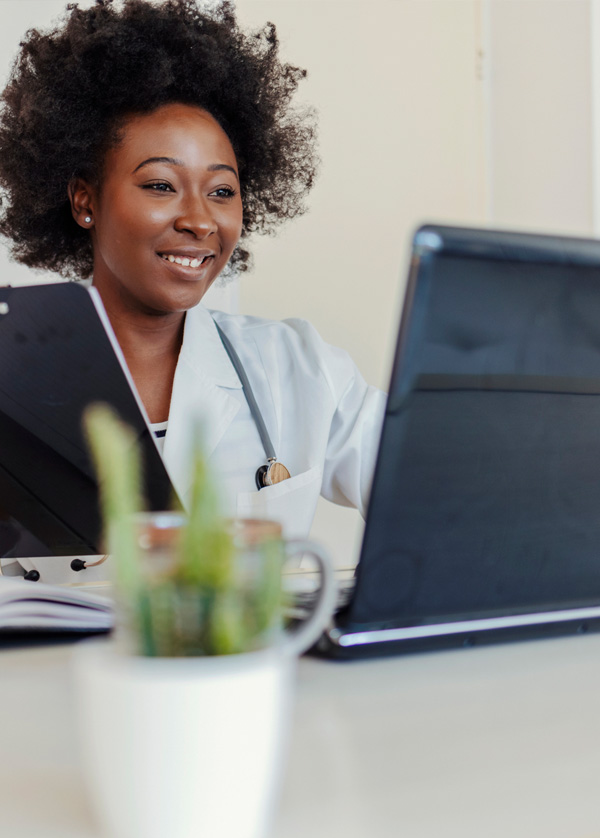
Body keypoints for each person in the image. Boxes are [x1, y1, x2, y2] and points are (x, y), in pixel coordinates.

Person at [0, 0, 385, 570]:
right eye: (160, 185)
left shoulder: (300, 368)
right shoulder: (11, 372)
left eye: (222, 191)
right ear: (85, 200)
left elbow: (441, 489)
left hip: (242, 661)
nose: (200, 219)